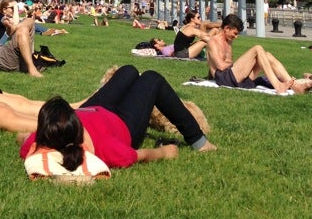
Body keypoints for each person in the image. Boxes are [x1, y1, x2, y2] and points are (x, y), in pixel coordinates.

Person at [19, 65, 216, 171]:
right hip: (123, 123)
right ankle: (198, 141)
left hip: (93, 109)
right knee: (151, 78)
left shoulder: (47, 136)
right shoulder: (107, 148)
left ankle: (129, 75)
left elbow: (25, 139)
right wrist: (166, 152)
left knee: (127, 71)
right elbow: (141, 155)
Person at [206, 14, 312, 94]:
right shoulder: (213, 42)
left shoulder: (228, 40)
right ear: (226, 28)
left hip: (235, 78)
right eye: (234, 33)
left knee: (267, 55)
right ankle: (278, 86)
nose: (236, 37)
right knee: (257, 49)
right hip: (225, 79)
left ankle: (295, 86)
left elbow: (229, 63)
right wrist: (240, 64)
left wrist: (241, 65)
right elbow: (220, 66)